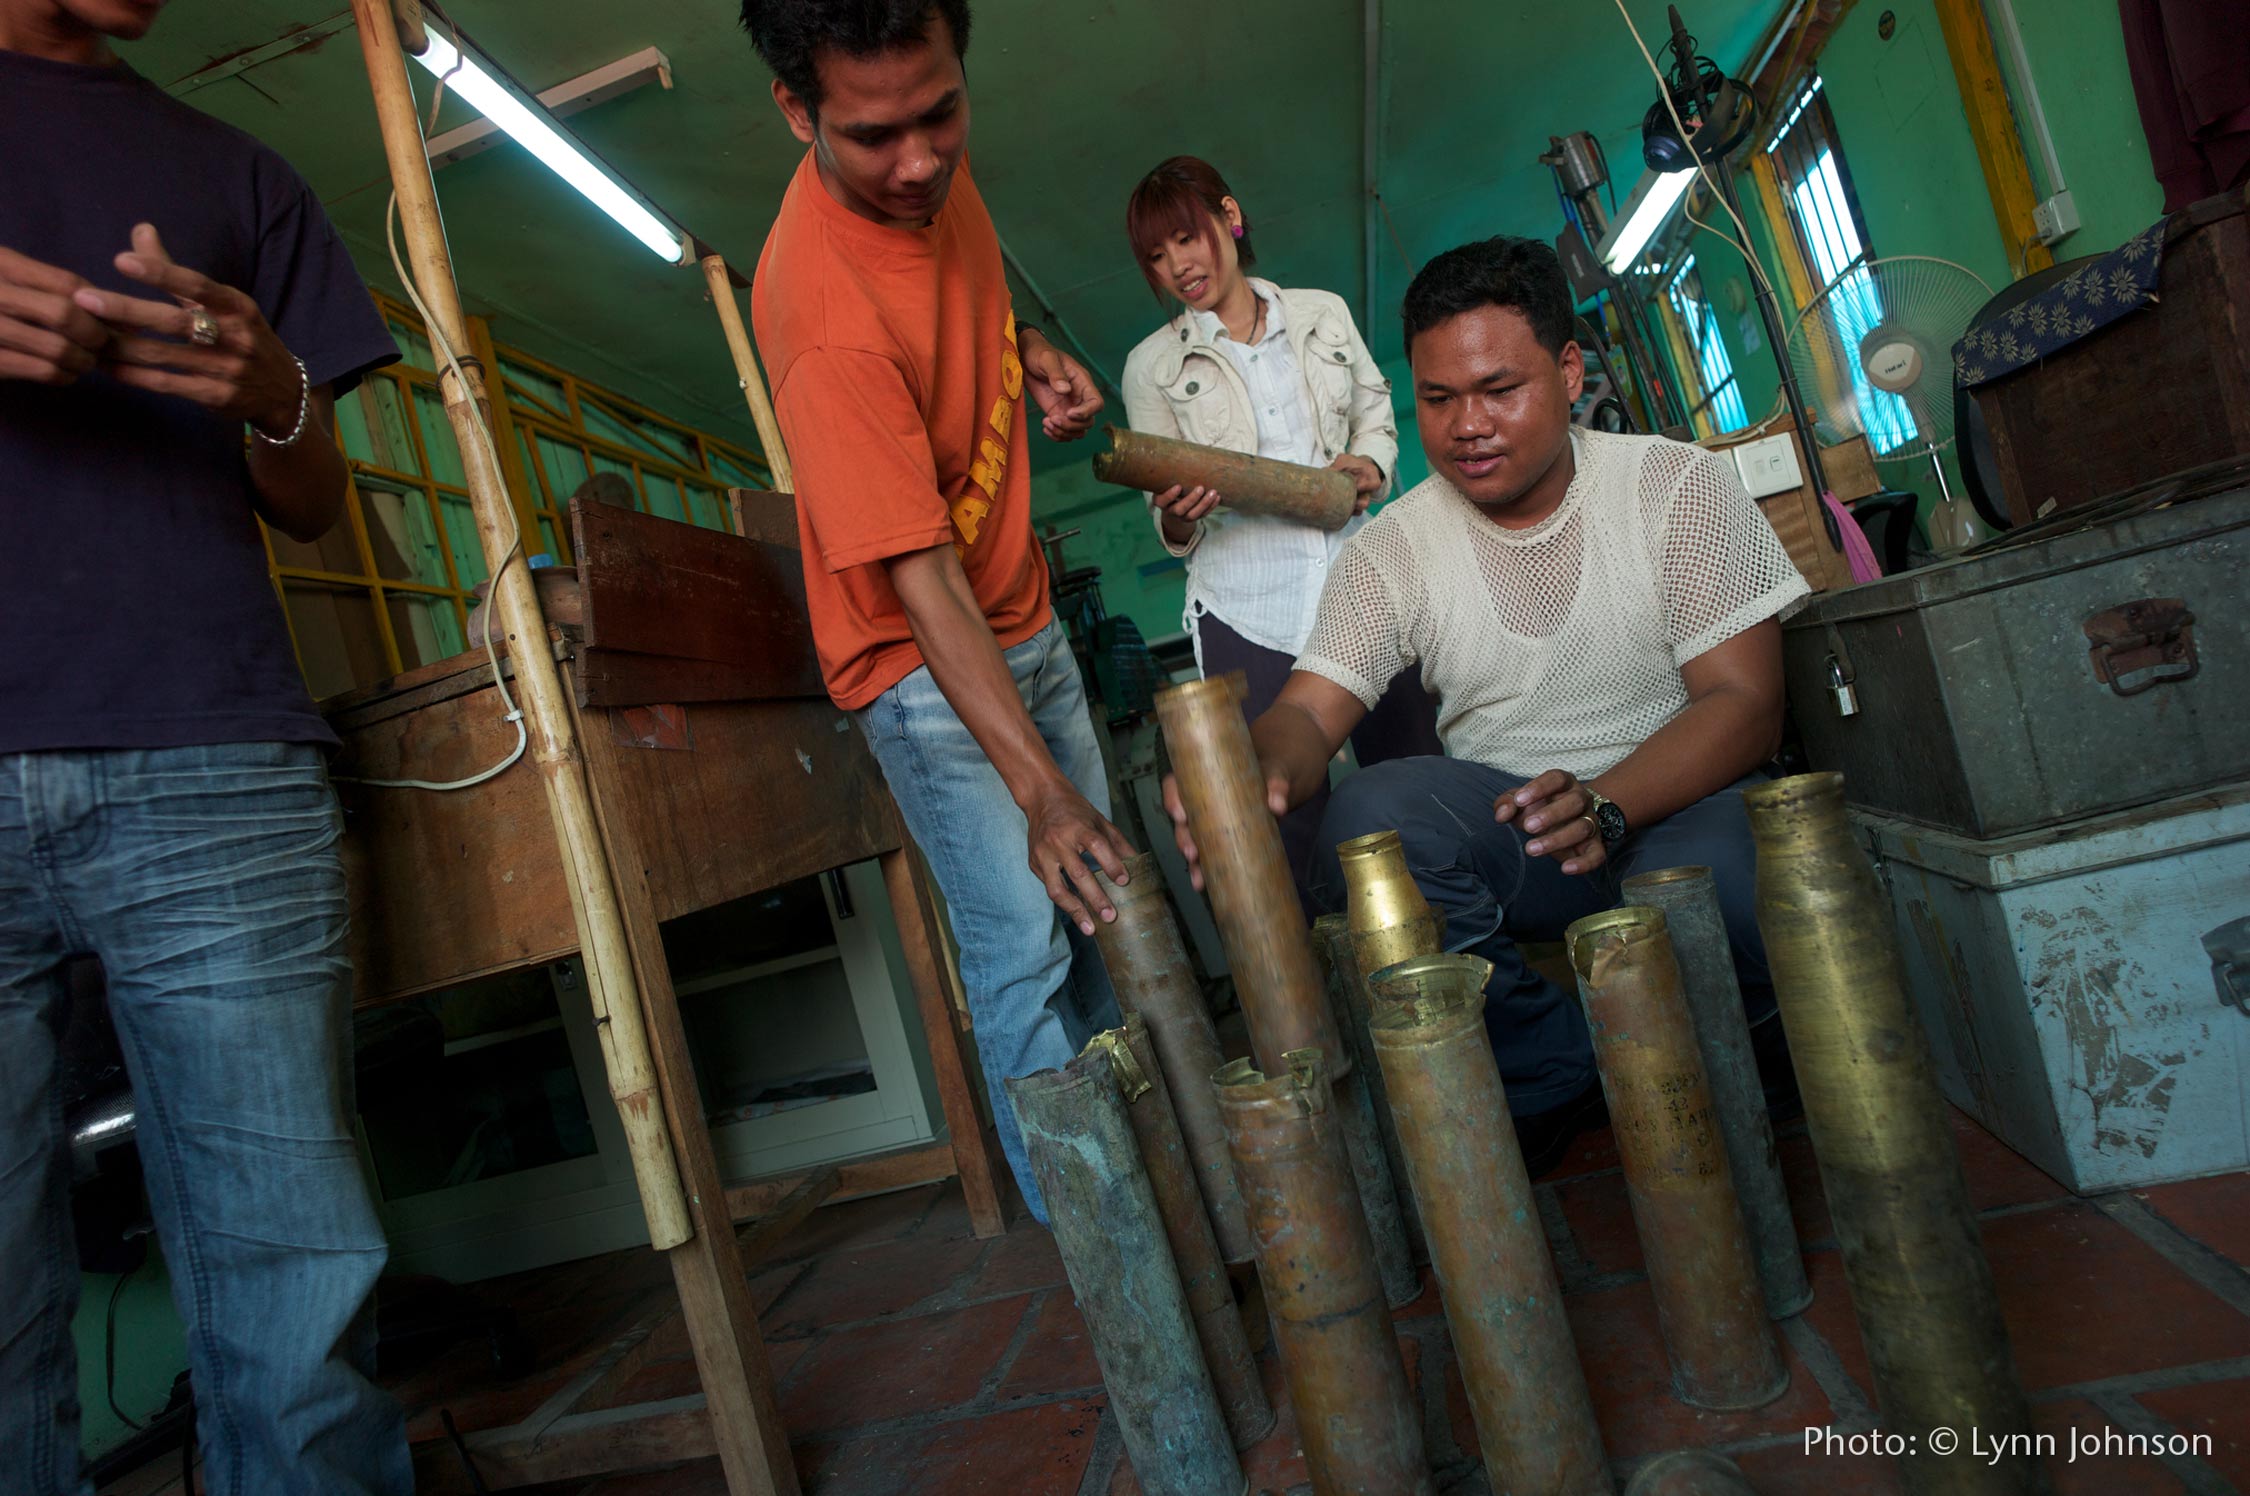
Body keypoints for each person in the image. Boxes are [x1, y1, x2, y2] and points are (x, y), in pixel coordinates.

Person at [0, 1, 411, 1492]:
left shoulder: (241, 175)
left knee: (295, 1314)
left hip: (214, 763)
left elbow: (310, 499)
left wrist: (277, 392)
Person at [1164, 237, 1808, 1172]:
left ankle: (1745, 1057)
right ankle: (1560, 1069)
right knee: (1369, 822)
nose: (1468, 425)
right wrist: (1250, 767)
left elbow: (1746, 704)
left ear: (1569, 372)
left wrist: (1608, 802)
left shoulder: (1674, 484)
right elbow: (1307, 713)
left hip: (1682, 809)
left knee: (1741, 876)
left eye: (1499, 389)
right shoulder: (1391, 550)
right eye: (1438, 399)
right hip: (1526, 840)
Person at [739, 0, 1129, 1220]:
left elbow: (956, 306)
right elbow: (920, 580)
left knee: (1110, 916)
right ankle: (1109, 1256)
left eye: (940, 114)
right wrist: (1040, 791)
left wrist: (1026, 347)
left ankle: (1158, 1186)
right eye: (873, 136)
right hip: (921, 667)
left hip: (1020, 615)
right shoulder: (819, 321)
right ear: (797, 110)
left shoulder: (931, 179)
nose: (918, 162)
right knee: (1025, 945)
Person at [1119, 156, 1441, 906]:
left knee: (1415, 775)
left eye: (1186, 238)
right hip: (1247, 608)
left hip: (1361, 586)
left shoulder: (1322, 312)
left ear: (1229, 218)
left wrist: (1371, 463)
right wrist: (1178, 509)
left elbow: (1375, 410)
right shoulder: (1151, 366)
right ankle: (1329, 967)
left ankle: (1460, 946)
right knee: (1287, 816)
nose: (1177, 266)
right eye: (1157, 256)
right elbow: (1163, 512)